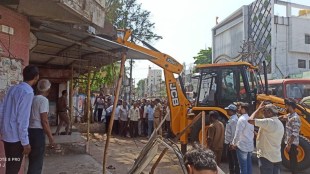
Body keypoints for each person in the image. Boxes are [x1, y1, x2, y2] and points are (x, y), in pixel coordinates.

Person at [0, 65, 39, 174]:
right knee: (13, 169)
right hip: (16, 138)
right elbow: (22, 120)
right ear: (36, 77)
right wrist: (26, 143)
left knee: (10, 167)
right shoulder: (28, 92)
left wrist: (1, 129)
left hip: (7, 135)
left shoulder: (12, 88)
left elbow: (1, 109)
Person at [248, 102, 284, 174]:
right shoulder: (280, 123)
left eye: (264, 111)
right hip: (276, 157)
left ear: (270, 112)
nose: (263, 114)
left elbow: (250, 120)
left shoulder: (268, 121)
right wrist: (258, 135)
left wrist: (258, 109)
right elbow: (270, 136)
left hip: (266, 157)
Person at [28, 79, 54, 174]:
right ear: (48, 90)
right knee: (37, 162)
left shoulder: (32, 98)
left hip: (29, 131)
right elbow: (44, 121)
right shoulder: (43, 100)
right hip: (38, 132)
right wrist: (50, 137)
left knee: (32, 160)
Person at [231, 102, 254, 174]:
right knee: (248, 166)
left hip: (242, 146)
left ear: (243, 109)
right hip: (249, 146)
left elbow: (238, 133)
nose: (238, 109)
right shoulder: (250, 119)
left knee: (243, 168)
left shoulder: (241, 119)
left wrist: (233, 143)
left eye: (240, 108)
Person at [282, 99, 301, 174]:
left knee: (293, 162)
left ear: (290, 106)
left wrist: (289, 144)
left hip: (292, 143)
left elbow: (294, 133)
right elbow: (285, 117)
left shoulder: (295, 118)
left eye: (286, 106)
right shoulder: (290, 116)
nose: (285, 107)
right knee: (292, 160)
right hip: (290, 142)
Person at [224, 104, 240, 174]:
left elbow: (234, 134)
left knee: (233, 161)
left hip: (231, 144)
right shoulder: (232, 119)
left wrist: (232, 144)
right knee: (231, 160)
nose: (226, 111)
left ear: (231, 111)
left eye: (228, 110)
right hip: (230, 143)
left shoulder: (233, 120)